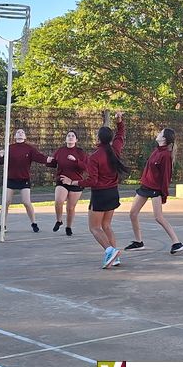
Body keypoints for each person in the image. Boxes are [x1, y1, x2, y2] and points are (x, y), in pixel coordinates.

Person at [70, 112, 129, 269]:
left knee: (94, 228)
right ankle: (115, 258)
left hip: (100, 195)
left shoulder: (95, 157)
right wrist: (119, 121)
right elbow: (121, 135)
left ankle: (110, 250)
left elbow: (92, 181)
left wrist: (75, 182)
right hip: (113, 192)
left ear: (98, 139)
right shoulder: (115, 149)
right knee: (107, 225)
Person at [126, 128, 183, 255]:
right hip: (145, 187)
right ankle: (138, 242)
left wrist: (163, 194)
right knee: (133, 213)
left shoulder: (166, 155)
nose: (158, 134)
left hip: (155, 190)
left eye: (160, 133)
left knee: (158, 217)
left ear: (164, 139)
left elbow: (166, 177)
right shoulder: (156, 150)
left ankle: (177, 243)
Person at [0, 129, 53, 234]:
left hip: (24, 179)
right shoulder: (9, 148)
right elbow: (1, 162)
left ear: (25, 137)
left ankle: (34, 223)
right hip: (11, 179)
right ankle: (2, 225)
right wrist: (1, 155)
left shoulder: (29, 148)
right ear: (15, 136)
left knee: (26, 202)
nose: (20, 133)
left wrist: (47, 159)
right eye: (18, 132)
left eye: (22, 132)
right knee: (6, 202)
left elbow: (38, 157)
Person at [46, 130, 88, 237]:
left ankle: (68, 227)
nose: (70, 137)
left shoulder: (80, 152)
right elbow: (54, 163)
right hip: (62, 180)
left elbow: (86, 167)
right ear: (65, 139)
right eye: (68, 135)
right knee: (59, 201)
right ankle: (59, 220)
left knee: (70, 208)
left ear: (76, 140)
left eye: (73, 136)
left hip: (75, 182)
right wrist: (48, 161)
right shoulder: (60, 151)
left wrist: (76, 160)